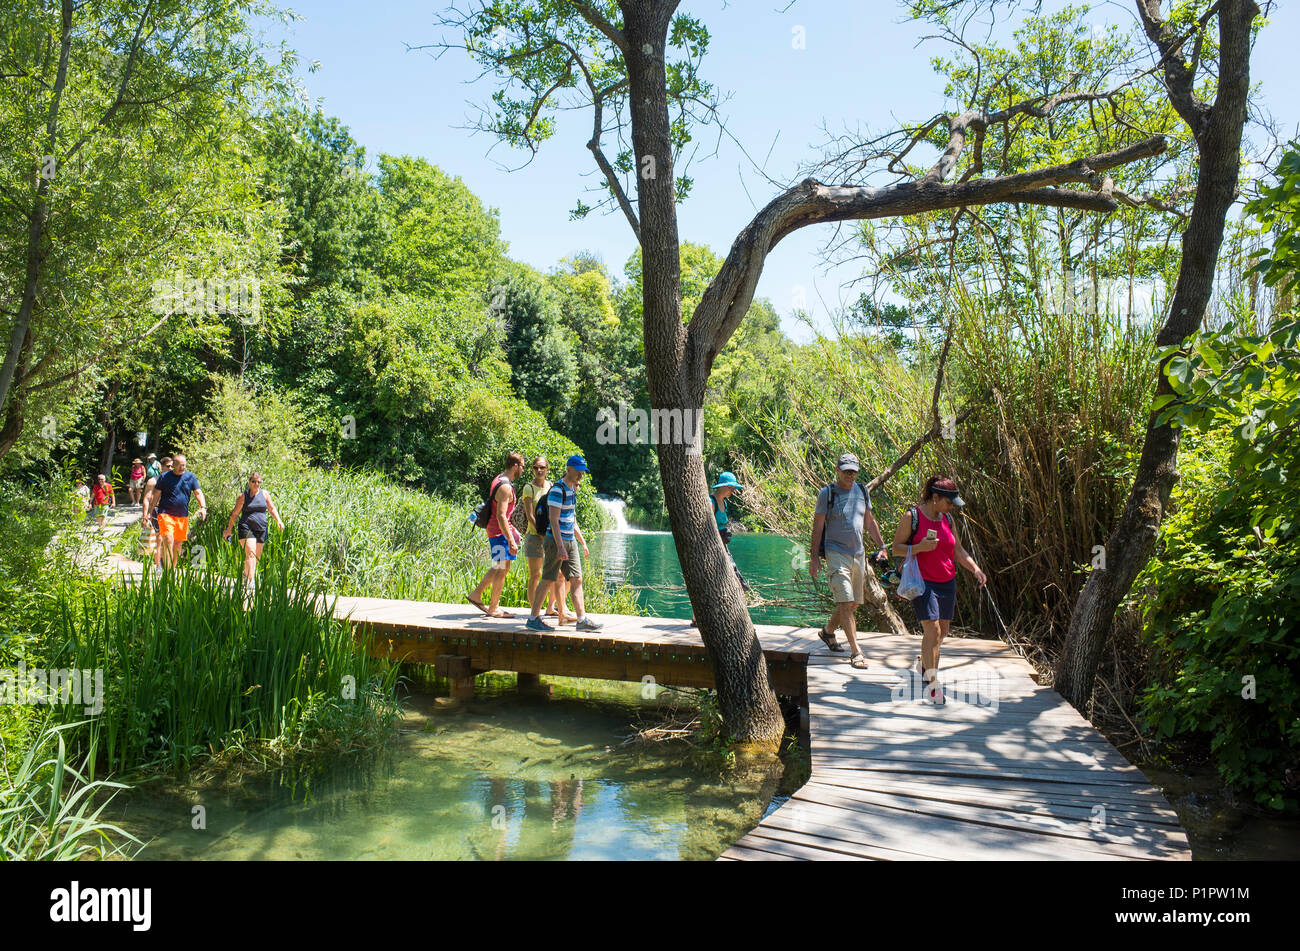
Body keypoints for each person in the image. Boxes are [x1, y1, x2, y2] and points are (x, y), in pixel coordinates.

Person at [892, 475, 987, 705]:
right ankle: (933, 685)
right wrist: (920, 547)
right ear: (935, 497)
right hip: (923, 582)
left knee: (942, 632)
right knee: (932, 630)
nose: (952, 507)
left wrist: (975, 568)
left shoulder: (948, 520)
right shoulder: (912, 517)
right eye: (949, 502)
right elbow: (896, 548)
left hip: (947, 581)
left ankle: (925, 663)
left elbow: (959, 550)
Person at [809, 453, 889, 670]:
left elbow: (870, 522)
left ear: (857, 471)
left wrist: (882, 546)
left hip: (858, 554)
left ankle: (827, 632)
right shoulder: (827, 494)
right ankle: (856, 652)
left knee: (852, 603)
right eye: (846, 470)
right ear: (837, 470)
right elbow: (817, 527)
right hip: (835, 553)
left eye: (853, 470)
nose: (849, 474)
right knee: (845, 603)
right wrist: (814, 558)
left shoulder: (862, 491)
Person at [526, 455, 602, 632]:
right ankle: (533, 618)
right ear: (569, 470)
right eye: (578, 471)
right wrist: (560, 545)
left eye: (583, 471)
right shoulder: (558, 490)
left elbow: (571, 518)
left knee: (577, 579)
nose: (581, 475)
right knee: (547, 578)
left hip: (570, 540)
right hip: (555, 540)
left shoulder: (572, 489)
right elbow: (553, 519)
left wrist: (581, 542)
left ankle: (581, 620)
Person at [466, 453, 526, 618]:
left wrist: (513, 533)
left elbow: (505, 515)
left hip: (500, 532)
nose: (523, 470)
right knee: (501, 569)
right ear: (515, 466)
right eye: (522, 466)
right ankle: (493, 608)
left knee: (502, 567)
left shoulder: (499, 478)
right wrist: (510, 539)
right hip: (499, 534)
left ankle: (476, 595)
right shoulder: (505, 487)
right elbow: (501, 516)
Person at [689, 471, 750, 627]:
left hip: (724, 547)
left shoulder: (725, 502)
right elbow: (706, 528)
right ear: (724, 487)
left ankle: (735, 619)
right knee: (711, 583)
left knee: (736, 582)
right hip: (713, 548)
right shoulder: (711, 502)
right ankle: (697, 619)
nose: (733, 491)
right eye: (731, 488)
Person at [520, 456, 565, 620]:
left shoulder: (551, 486)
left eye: (542, 468)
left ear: (547, 469)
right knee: (535, 574)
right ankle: (534, 611)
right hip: (534, 536)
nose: (539, 471)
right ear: (532, 469)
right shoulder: (528, 488)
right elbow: (530, 515)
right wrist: (540, 532)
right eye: (536, 468)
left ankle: (550, 607)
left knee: (556, 574)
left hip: (549, 535)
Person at [147, 454, 207, 569]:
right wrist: (150, 511)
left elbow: (198, 493)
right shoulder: (164, 477)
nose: (182, 467)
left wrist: (203, 507)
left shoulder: (190, 477)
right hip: (165, 513)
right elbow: (156, 495)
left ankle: (172, 570)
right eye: (179, 465)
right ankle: (167, 570)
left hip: (182, 515)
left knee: (178, 544)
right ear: (173, 465)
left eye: (184, 465)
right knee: (169, 539)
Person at [222, 471, 284, 583]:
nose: (256, 484)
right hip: (246, 527)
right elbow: (235, 514)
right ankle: (251, 582)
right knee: (250, 553)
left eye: (259, 482)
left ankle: (245, 574)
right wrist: (229, 529)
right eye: (254, 481)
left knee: (256, 557)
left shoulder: (265, 494)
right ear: (249, 482)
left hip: (261, 528)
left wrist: (278, 520)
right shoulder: (243, 496)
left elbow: (271, 508)